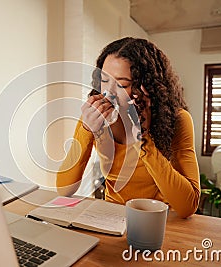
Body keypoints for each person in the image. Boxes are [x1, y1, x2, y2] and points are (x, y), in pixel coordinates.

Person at [56, 37, 200, 218]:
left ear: (147, 86)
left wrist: (144, 137)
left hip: (159, 222)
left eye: (122, 84)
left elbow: (188, 206)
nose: (109, 93)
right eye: (104, 80)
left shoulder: (178, 120)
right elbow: (64, 189)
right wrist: (86, 130)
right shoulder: (95, 117)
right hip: (110, 219)